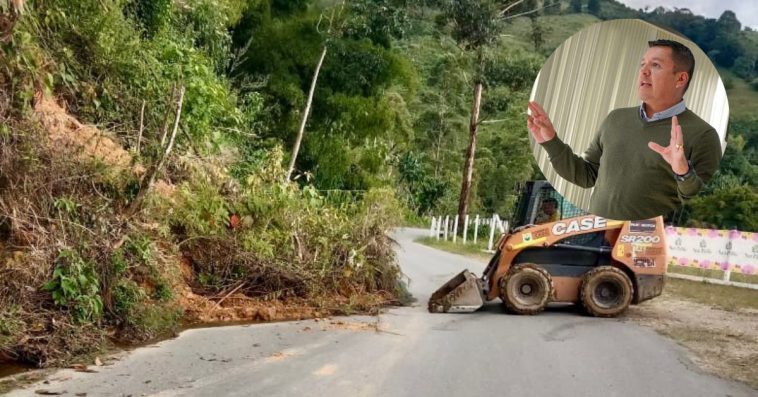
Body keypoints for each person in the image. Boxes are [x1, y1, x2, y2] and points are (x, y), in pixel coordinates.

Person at [527, 39, 722, 220]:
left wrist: (683, 172)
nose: (644, 71)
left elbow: (700, 206)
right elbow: (587, 176)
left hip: (647, 246)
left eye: (655, 65)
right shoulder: (616, 118)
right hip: (596, 235)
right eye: (642, 64)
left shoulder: (703, 135)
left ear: (680, 79)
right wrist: (550, 141)